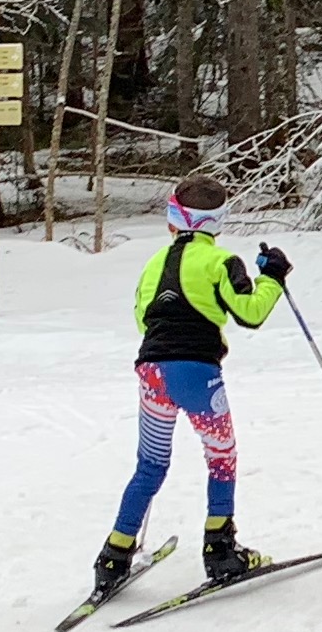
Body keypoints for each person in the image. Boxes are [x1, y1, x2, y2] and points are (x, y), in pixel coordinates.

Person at [87, 171, 297, 601]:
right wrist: (273, 276)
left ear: (172, 221)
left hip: (151, 372)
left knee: (150, 465)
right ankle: (221, 549)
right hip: (196, 373)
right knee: (221, 456)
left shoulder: (153, 264)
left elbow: (142, 316)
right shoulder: (221, 262)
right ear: (217, 223)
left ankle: (114, 556)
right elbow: (251, 312)